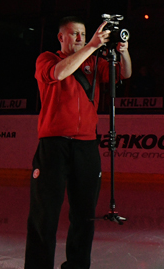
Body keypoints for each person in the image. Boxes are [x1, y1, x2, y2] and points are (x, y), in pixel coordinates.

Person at [25, 16, 132, 269]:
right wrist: (92, 46)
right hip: (54, 145)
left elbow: (124, 73)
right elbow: (59, 73)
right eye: (74, 34)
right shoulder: (47, 59)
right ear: (61, 37)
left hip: (86, 146)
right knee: (45, 214)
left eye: (83, 34)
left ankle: (78, 266)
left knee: (85, 215)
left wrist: (124, 52)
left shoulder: (93, 62)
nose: (80, 38)